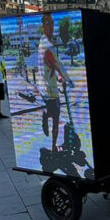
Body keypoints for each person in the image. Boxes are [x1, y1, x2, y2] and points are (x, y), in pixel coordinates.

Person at [38, 13, 73, 150]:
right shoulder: (47, 49)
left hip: (45, 87)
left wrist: (57, 78)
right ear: (43, 26)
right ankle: (53, 146)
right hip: (50, 91)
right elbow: (59, 66)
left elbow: (49, 68)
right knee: (57, 119)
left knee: (53, 113)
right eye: (48, 23)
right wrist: (68, 80)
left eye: (52, 23)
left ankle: (46, 115)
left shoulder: (43, 43)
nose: (51, 26)